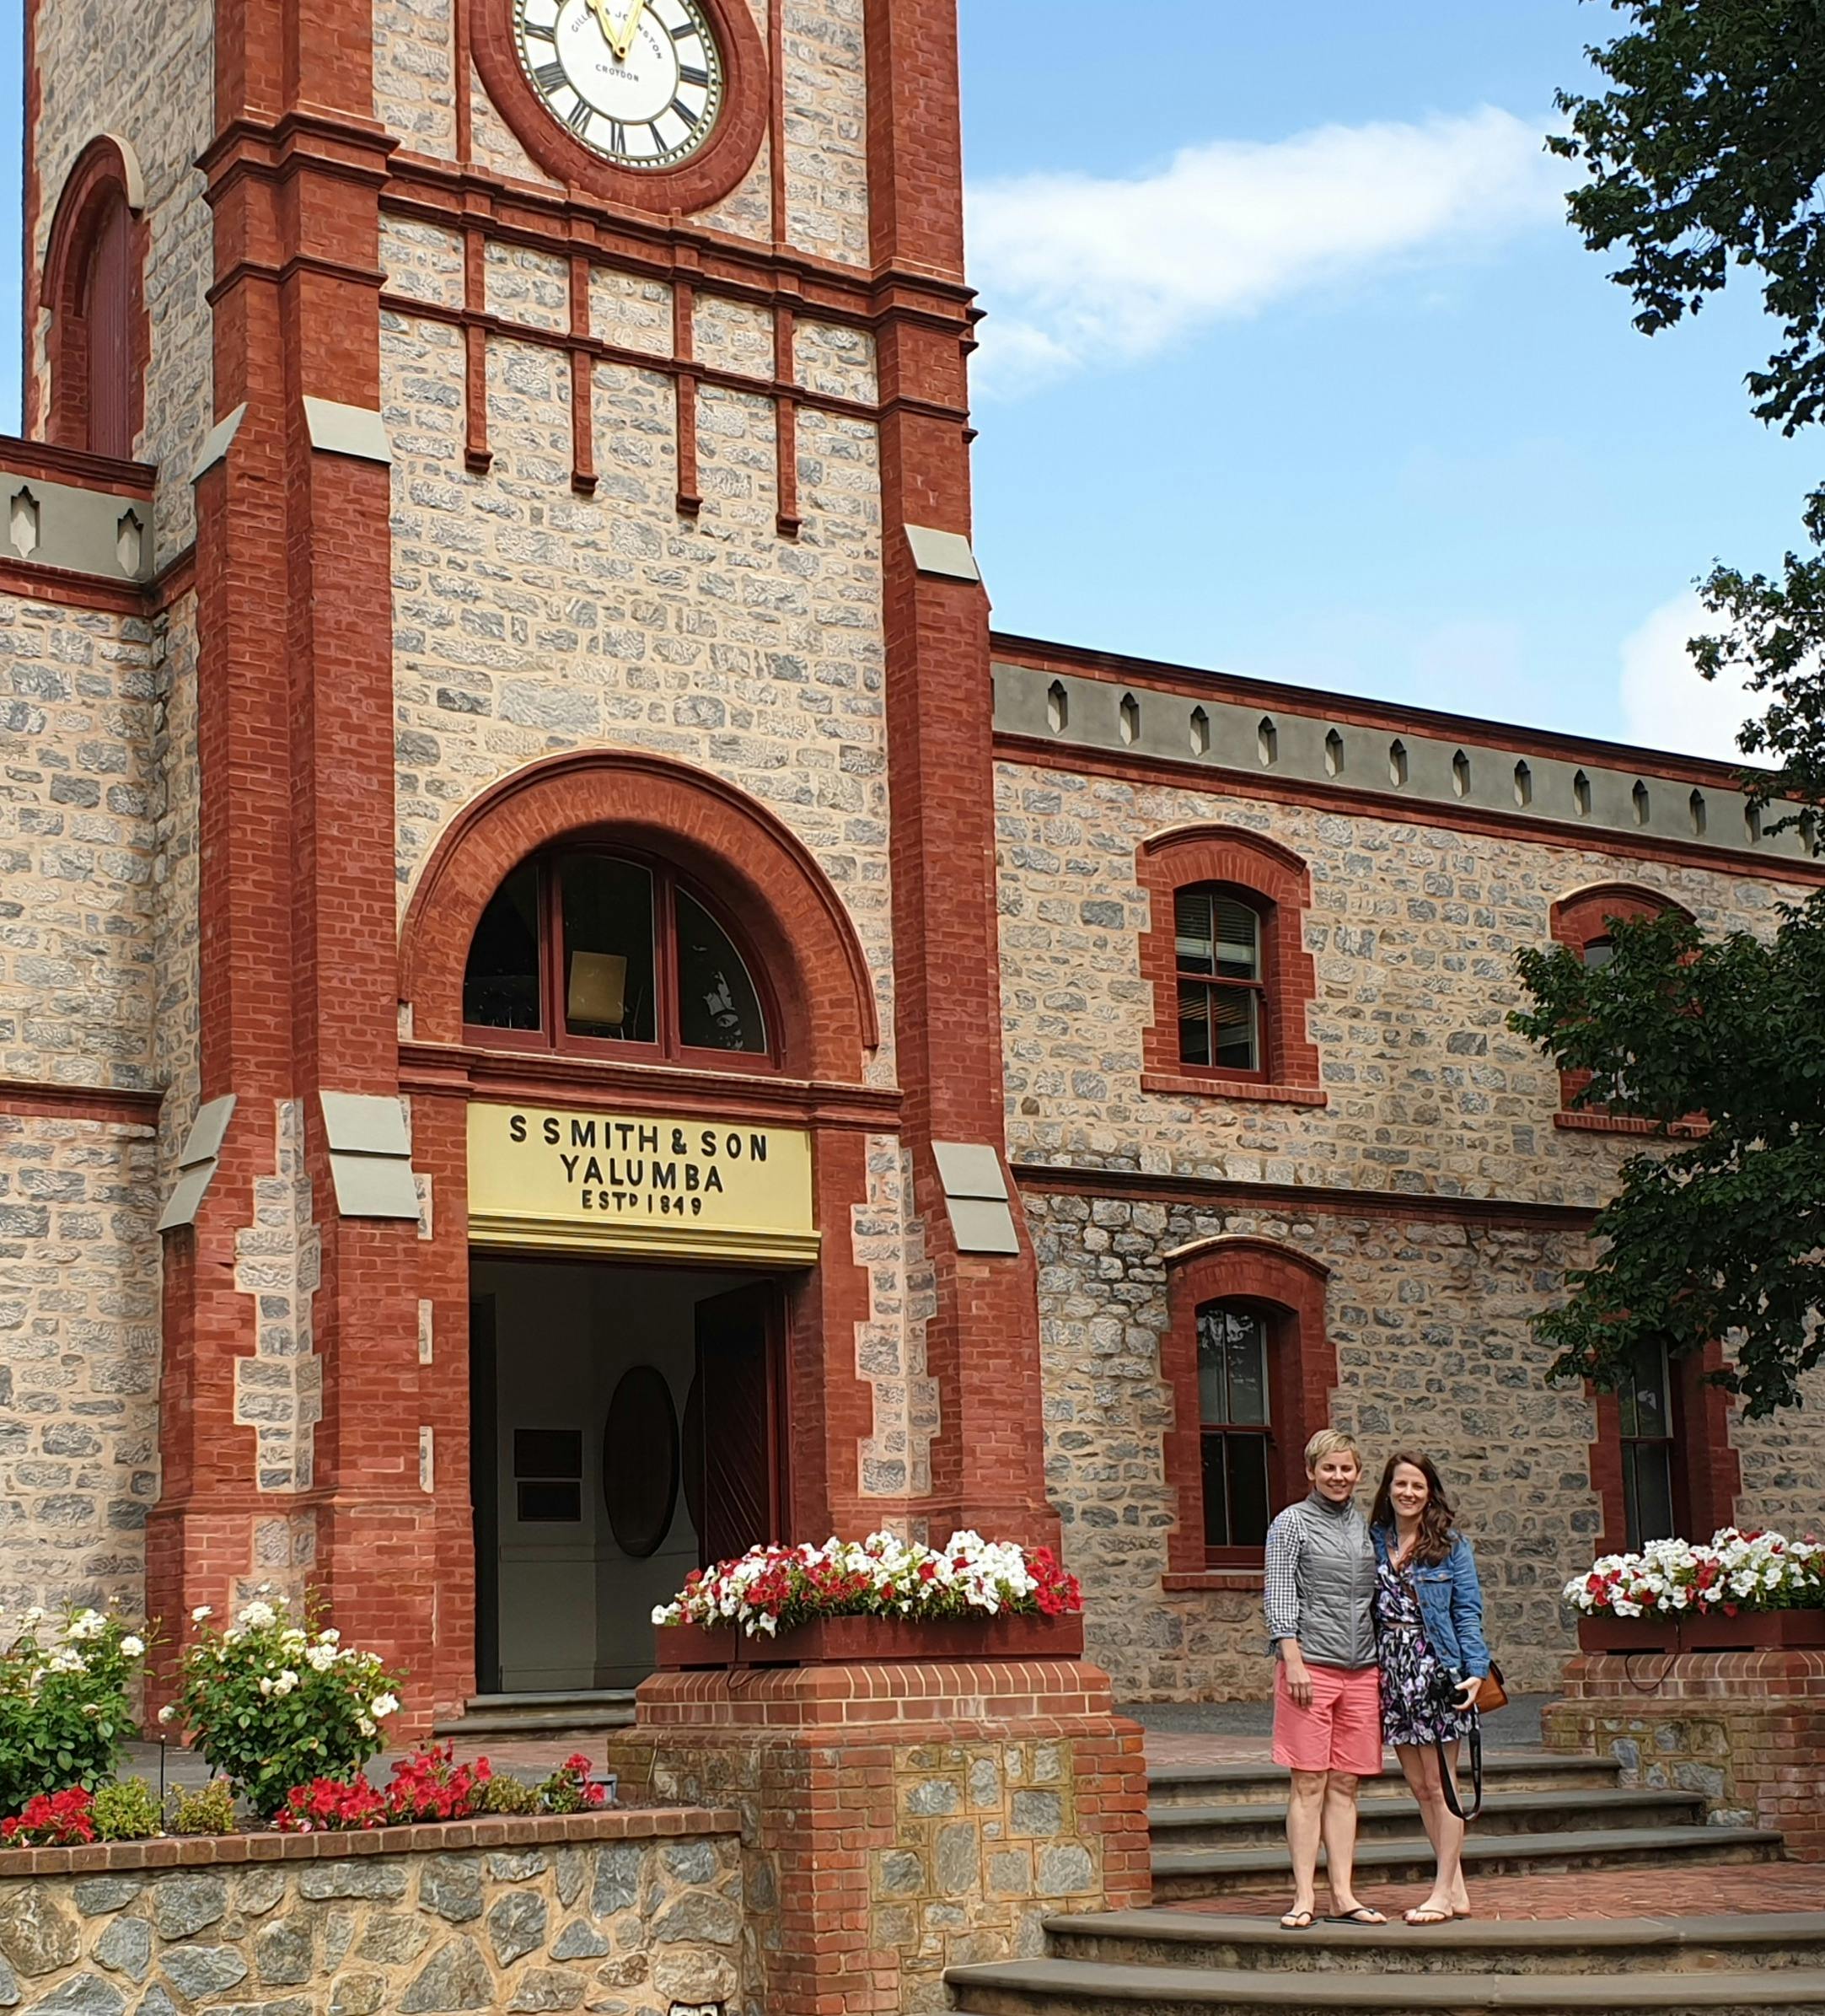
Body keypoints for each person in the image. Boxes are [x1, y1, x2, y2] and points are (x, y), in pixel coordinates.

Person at [1263, 1427, 1384, 1930]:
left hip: (1362, 1670)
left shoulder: (1366, 1527)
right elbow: (1279, 1593)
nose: (1339, 1477)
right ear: (1311, 1471)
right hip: (1309, 1667)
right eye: (1329, 1468)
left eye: (1347, 1468)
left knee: (1346, 1786)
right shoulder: (1290, 1524)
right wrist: (1292, 1660)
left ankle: (1343, 1895)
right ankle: (1303, 1896)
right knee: (1308, 1782)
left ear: (1357, 1474)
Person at [1367, 1450, 1489, 1926]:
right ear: (1388, 1489)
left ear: (1429, 1491)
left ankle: (1441, 1891)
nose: (1408, 1493)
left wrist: (1475, 1669)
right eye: (1400, 1484)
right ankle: (1454, 1886)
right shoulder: (1376, 1541)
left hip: (1437, 1668)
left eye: (1417, 1485)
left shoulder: (1451, 1546)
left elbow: (1467, 1611)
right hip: (1392, 1670)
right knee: (1419, 1787)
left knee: (1443, 1786)